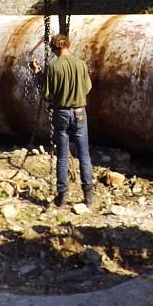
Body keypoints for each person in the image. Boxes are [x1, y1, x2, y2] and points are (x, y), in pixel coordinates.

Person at [33, 33, 95, 208]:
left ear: (55, 48)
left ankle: (62, 196)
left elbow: (46, 94)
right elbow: (88, 88)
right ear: (68, 45)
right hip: (80, 112)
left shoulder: (53, 67)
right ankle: (88, 195)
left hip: (61, 114)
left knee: (62, 156)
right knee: (84, 154)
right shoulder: (81, 64)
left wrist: (38, 75)